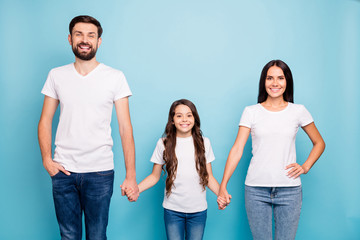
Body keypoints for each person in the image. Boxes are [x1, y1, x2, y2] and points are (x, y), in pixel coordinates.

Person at [38, 15, 139, 240]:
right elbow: (45, 119)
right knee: (68, 236)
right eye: (79, 34)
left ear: (99, 41)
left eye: (91, 35)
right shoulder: (56, 75)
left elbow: (125, 128)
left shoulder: (115, 77)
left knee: (97, 235)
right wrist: (47, 159)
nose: (85, 39)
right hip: (63, 171)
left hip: (100, 171)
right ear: (70, 38)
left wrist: (131, 176)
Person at [217, 60, 325, 240]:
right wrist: (223, 185)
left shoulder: (298, 111)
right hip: (255, 190)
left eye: (280, 78)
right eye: (270, 78)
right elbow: (237, 149)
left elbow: (319, 142)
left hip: (290, 190)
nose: (275, 83)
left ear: (287, 81)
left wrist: (305, 166)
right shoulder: (251, 112)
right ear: (263, 82)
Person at [127, 99, 224, 240]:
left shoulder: (204, 143)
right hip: (172, 210)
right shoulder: (163, 143)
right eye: (179, 115)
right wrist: (137, 189)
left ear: (195, 119)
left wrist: (221, 194)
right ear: (172, 120)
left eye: (189, 115)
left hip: (198, 211)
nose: (184, 119)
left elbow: (208, 177)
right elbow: (154, 176)